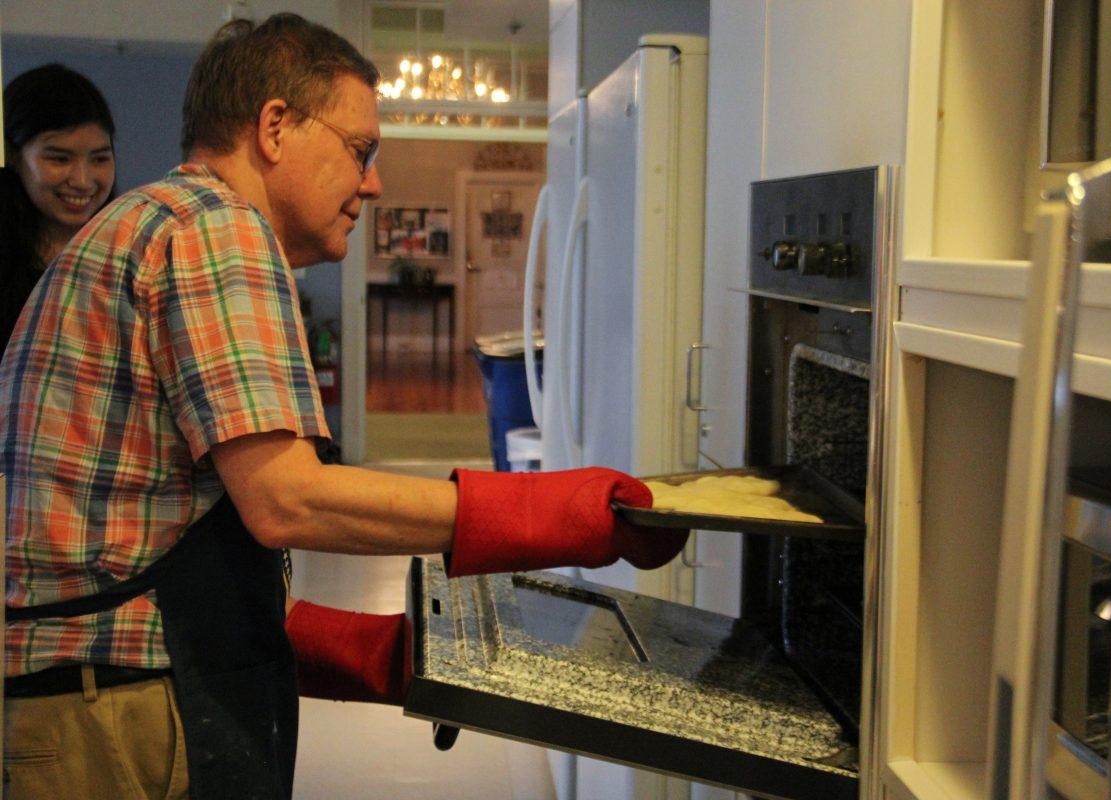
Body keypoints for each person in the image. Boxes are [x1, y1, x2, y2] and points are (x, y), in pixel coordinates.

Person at [0, 14, 687, 800]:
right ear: (275, 126)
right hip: (112, 716)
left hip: (99, 694)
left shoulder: (157, 222)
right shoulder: (215, 226)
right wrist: (568, 514)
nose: (374, 183)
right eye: (361, 151)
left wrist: (372, 652)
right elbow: (288, 501)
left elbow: (150, 539)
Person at [1, 64, 117, 355]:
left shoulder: (126, 254)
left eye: (100, 159)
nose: (82, 180)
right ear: (14, 156)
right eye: (59, 159)